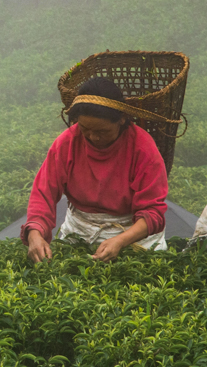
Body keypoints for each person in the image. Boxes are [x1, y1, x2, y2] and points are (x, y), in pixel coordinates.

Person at [22, 76, 168, 264]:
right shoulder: (67, 143)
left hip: (132, 234)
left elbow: (153, 211)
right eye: (85, 128)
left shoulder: (142, 148)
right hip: (80, 229)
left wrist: (119, 241)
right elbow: (43, 193)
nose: (93, 137)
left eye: (103, 131)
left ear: (122, 119)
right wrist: (35, 234)